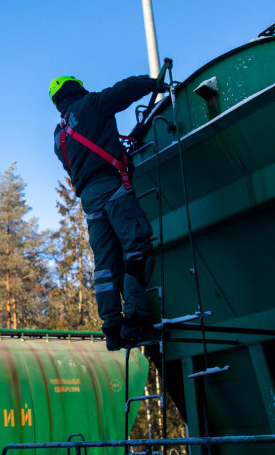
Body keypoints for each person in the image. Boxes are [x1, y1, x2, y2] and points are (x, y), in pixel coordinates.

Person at [50, 74, 163, 351]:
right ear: (77, 88)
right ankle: (136, 319)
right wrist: (152, 83)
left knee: (105, 264)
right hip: (112, 186)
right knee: (137, 247)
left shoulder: (59, 136)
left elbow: (73, 169)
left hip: (89, 200)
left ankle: (113, 328)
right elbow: (123, 91)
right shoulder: (91, 104)